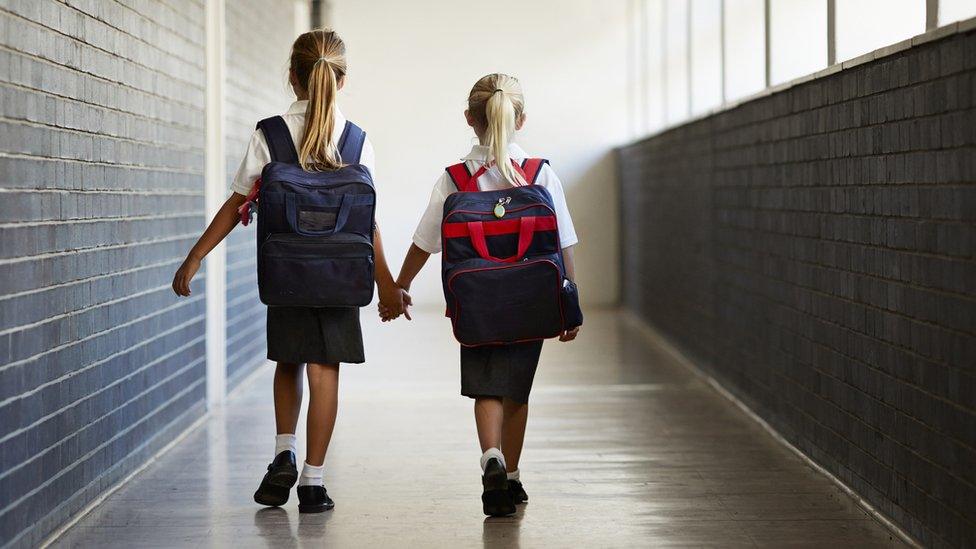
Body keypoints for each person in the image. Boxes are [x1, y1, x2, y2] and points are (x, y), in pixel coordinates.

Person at [172, 29, 405, 513]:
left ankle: (284, 451)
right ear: (341, 81)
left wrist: (195, 256)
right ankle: (314, 483)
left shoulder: (270, 133)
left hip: (287, 273)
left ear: (293, 76)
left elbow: (236, 202)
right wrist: (387, 285)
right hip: (342, 276)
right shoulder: (359, 140)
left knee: (289, 361)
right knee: (326, 372)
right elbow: (370, 222)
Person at [385, 73, 579, 516]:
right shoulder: (539, 173)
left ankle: (490, 457)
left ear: (469, 119)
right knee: (517, 392)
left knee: (487, 387)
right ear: (522, 120)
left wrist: (400, 285)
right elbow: (564, 241)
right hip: (532, 300)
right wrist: (571, 301)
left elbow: (425, 240)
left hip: (476, 302)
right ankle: (510, 475)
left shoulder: (455, 178)